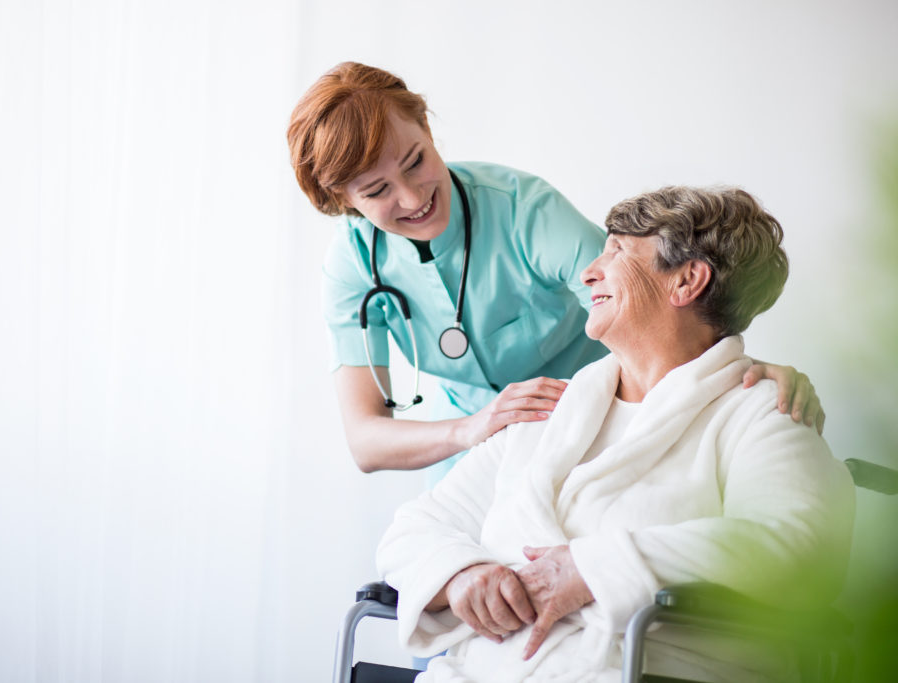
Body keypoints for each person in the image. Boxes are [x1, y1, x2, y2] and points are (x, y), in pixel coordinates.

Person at [375, 186, 856, 682]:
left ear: (687, 280)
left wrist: (592, 569)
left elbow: (796, 548)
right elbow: (413, 528)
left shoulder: (761, 413)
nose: (588, 273)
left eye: (617, 251)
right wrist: (462, 574)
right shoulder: (549, 415)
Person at [286, 61, 824, 487]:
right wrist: (474, 429)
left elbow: (652, 300)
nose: (412, 198)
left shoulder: (525, 210)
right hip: (472, 459)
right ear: (342, 200)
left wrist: (743, 370)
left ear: (427, 128)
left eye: (416, 161)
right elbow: (365, 441)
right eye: (376, 191)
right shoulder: (353, 264)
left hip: (603, 428)